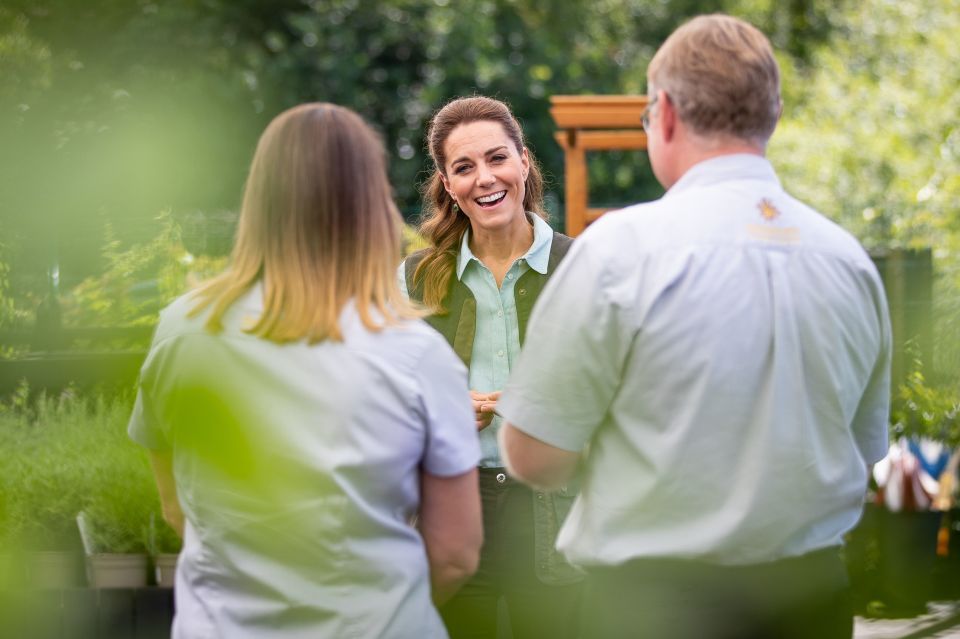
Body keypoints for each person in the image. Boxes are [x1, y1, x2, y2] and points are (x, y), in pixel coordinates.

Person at [498, 14, 892, 639]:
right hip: (815, 600)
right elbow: (867, 448)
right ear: (774, 116)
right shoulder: (847, 259)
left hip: (657, 608)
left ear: (668, 113)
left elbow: (532, 455)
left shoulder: (620, 251)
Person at [128, 103, 482, 639]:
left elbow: (176, 508)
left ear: (260, 197)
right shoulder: (417, 355)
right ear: (373, 203)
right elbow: (455, 555)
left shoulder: (181, 330)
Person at [399, 96, 582, 639]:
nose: (485, 178)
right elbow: (383, 405)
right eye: (464, 167)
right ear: (447, 183)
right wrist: (440, 414)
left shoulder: (586, 269)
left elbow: (622, 399)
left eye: (497, 158)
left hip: (558, 512)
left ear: (525, 162)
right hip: (449, 515)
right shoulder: (412, 281)